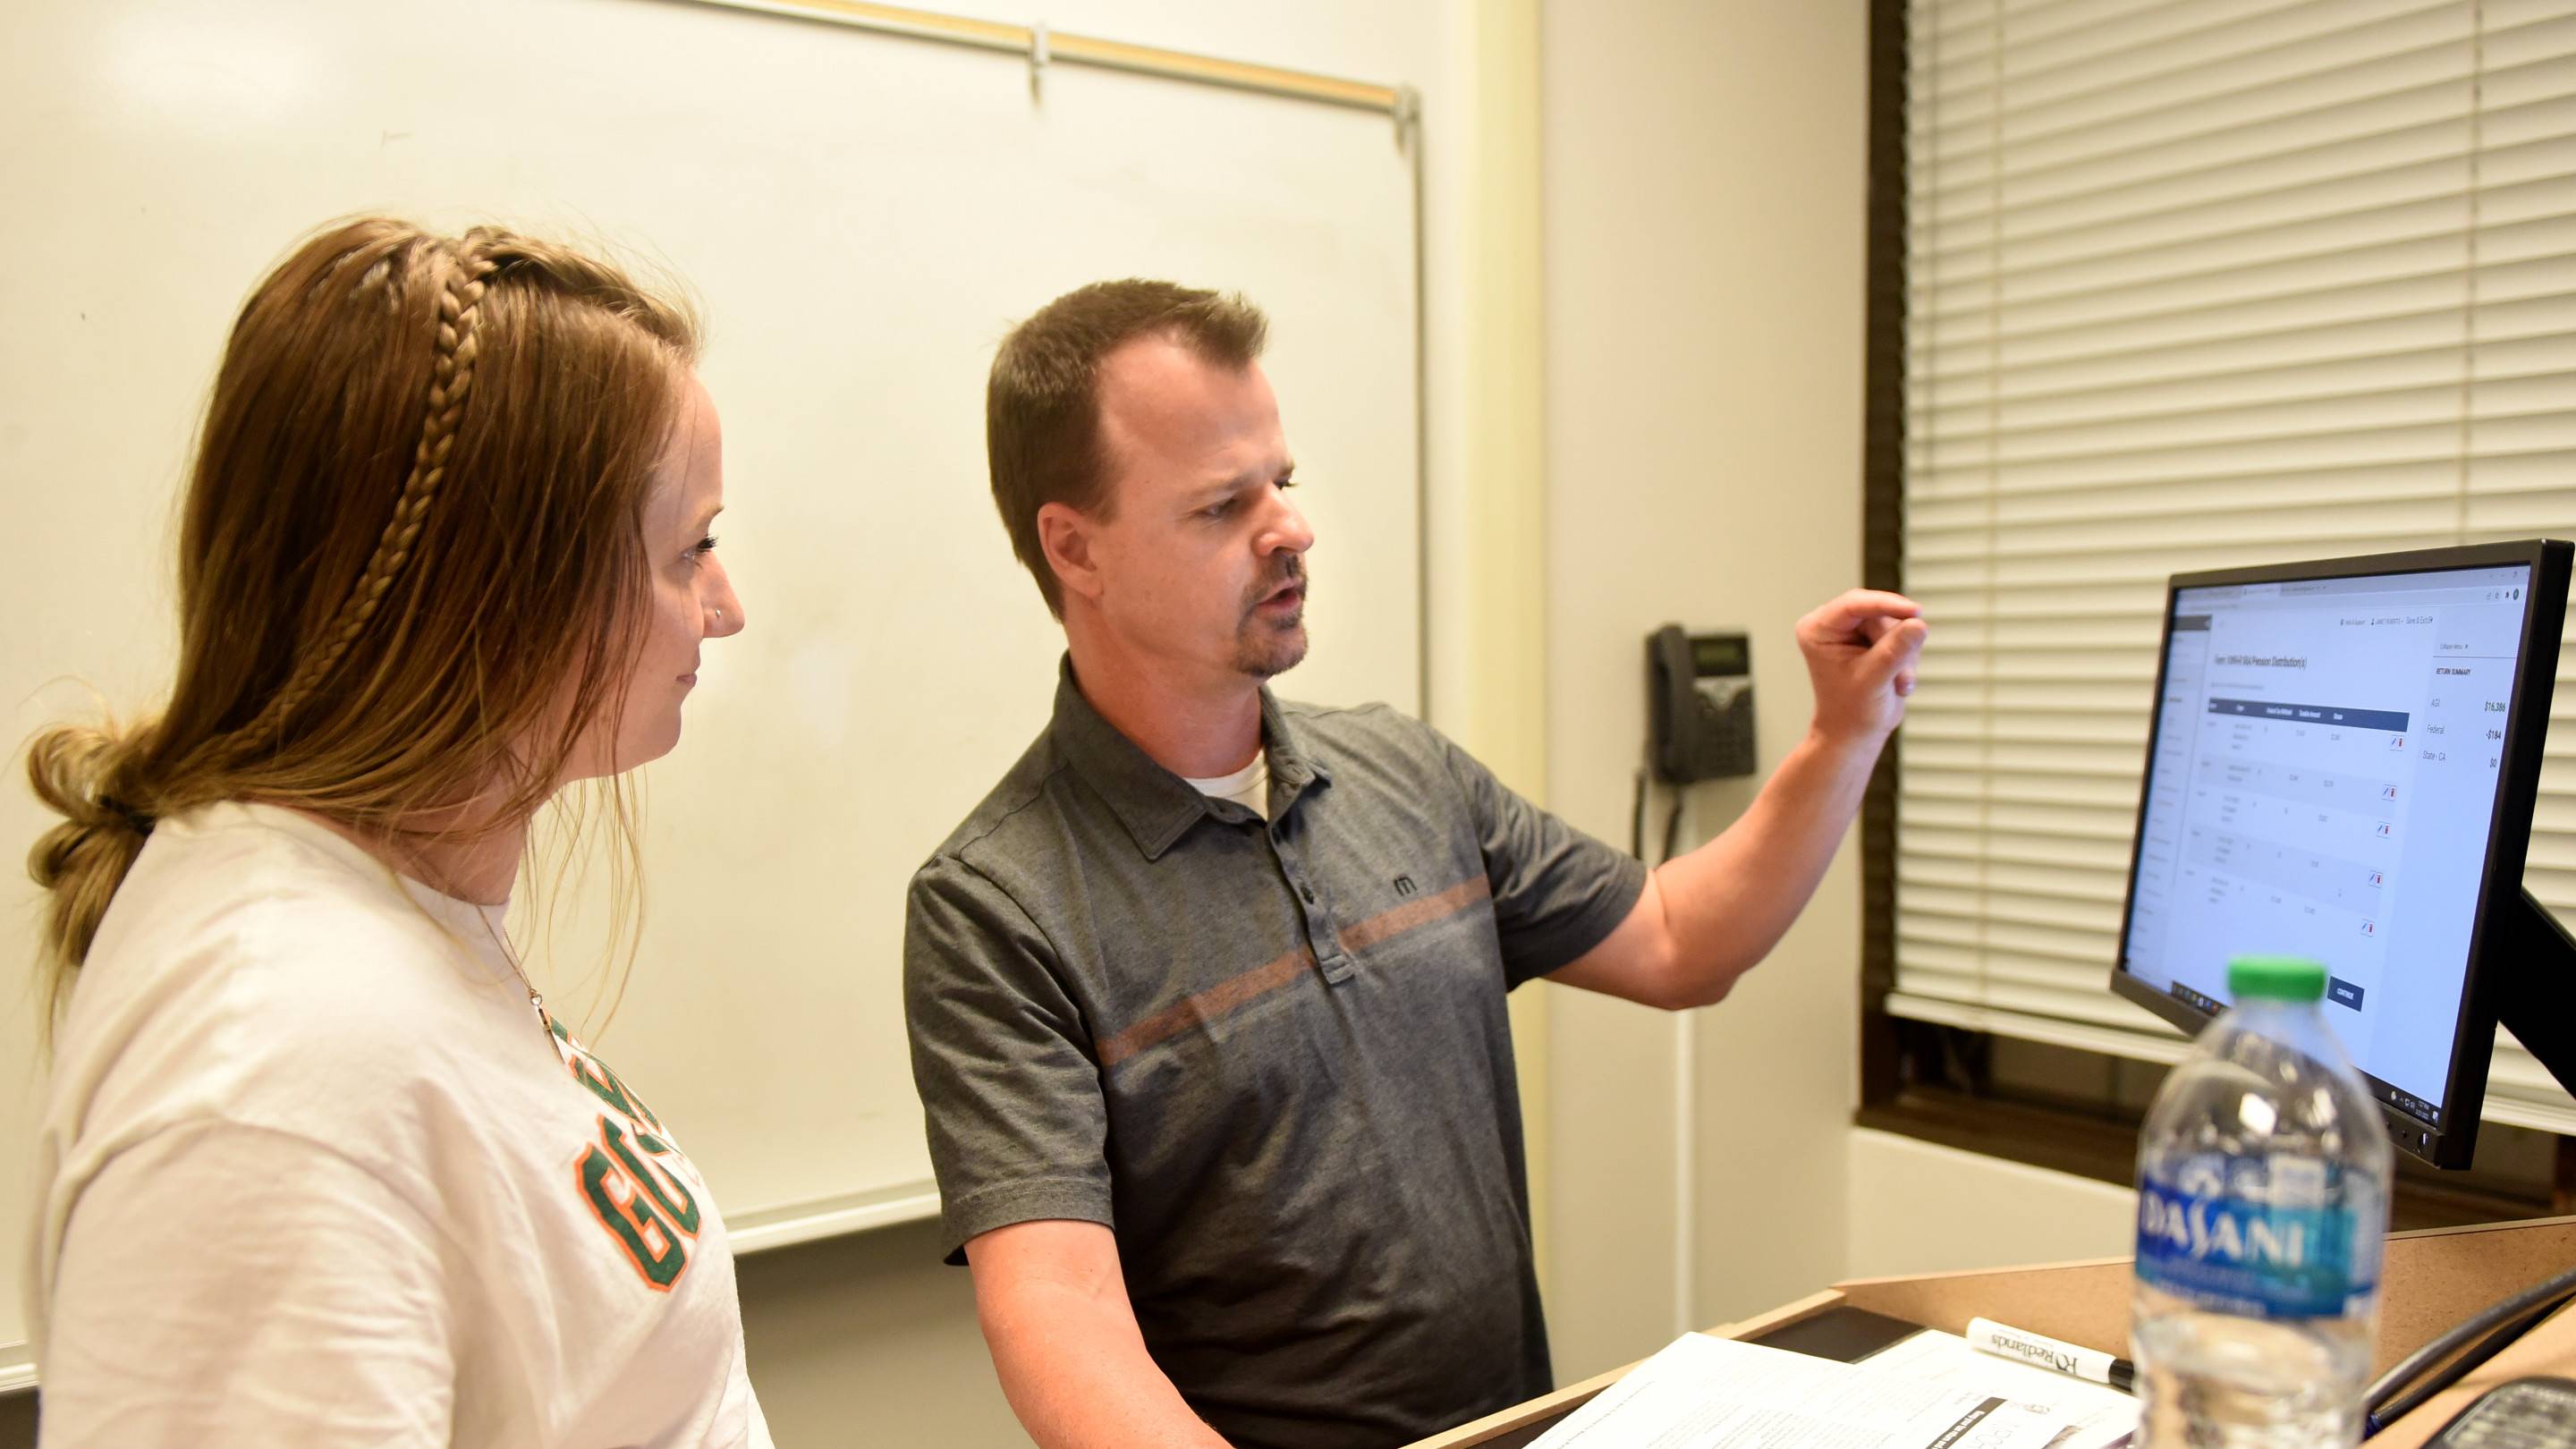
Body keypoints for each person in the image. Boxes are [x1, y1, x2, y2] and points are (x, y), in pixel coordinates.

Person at [904, 278, 1928, 1448]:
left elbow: (1681, 940)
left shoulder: (1404, 773)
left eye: (1279, 483)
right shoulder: (996, 908)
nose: (1289, 528)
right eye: (1221, 506)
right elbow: (1061, 1316)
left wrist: (1844, 735)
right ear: (1074, 548)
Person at [23, 217, 768, 1447]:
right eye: (692, 549)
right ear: (506, 591)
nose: (725, 610)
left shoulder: (379, 923)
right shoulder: (275, 1071)